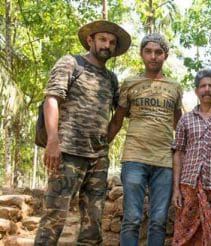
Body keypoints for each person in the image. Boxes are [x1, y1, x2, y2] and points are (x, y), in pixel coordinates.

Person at [35, 20, 130, 245]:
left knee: (93, 224)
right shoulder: (71, 63)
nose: (107, 45)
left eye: (112, 42)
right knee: (54, 218)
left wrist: (105, 141)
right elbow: (52, 99)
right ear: (91, 40)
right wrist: (53, 141)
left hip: (97, 159)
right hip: (67, 152)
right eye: (103, 39)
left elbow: (120, 113)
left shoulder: (111, 78)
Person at [107, 33, 183, 246]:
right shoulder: (130, 83)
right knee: (131, 218)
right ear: (141, 54)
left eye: (158, 52)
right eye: (148, 51)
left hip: (165, 162)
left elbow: (180, 126)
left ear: (165, 56)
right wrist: (100, 148)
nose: (153, 56)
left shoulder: (174, 87)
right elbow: (117, 121)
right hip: (134, 158)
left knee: (158, 221)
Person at [171, 69, 211, 246]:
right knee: (184, 234)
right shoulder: (185, 120)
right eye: (203, 86)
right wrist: (176, 189)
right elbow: (179, 152)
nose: (207, 89)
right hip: (188, 187)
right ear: (197, 91)